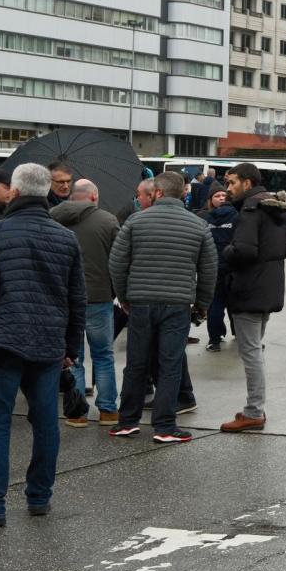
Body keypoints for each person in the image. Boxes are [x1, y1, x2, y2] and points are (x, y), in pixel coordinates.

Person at [0, 163, 85, 528]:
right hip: (48, 343)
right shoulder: (65, 238)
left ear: (14, 192)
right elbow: (76, 299)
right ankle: (39, 497)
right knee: (45, 423)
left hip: (4, 342)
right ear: (47, 192)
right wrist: (70, 347)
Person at [108, 171, 217, 443]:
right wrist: (202, 305)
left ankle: (127, 421)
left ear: (156, 193)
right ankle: (165, 426)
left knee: (136, 363)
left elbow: (117, 263)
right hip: (178, 304)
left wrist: (124, 297)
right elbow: (209, 270)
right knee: (170, 365)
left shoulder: (135, 221)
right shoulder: (198, 225)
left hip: (141, 303)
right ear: (183, 193)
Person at [218, 163, 286, 433]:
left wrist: (226, 251)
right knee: (255, 350)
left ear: (247, 183)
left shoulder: (250, 210)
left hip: (249, 288)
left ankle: (253, 411)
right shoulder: (275, 208)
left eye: (232, 183)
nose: (228, 189)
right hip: (269, 287)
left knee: (250, 353)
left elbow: (244, 252)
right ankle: (255, 408)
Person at [49, 179, 120, 426]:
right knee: (103, 355)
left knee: (72, 356)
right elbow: (118, 262)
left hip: (64, 298)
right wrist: (116, 291)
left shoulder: (52, 219)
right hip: (98, 297)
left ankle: (77, 413)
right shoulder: (108, 221)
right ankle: (108, 410)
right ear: (93, 197)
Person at [200, 188, 240, 350]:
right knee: (235, 303)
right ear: (211, 199)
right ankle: (240, 334)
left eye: (224, 195)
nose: (221, 198)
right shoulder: (238, 217)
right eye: (217, 196)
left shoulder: (205, 219)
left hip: (213, 267)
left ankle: (214, 340)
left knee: (215, 303)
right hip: (233, 266)